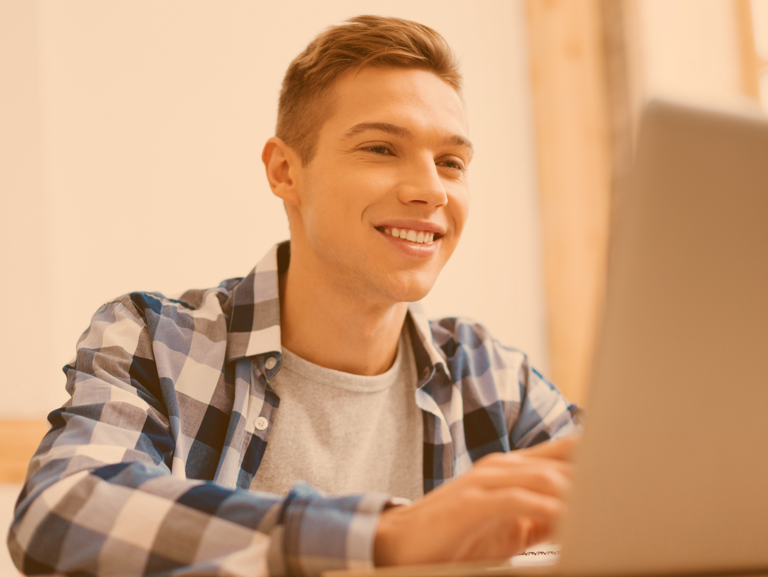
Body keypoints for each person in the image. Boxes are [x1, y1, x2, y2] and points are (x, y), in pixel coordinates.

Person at [8, 15, 581, 577]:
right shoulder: (156, 341)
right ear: (285, 171)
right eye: (381, 149)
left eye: (451, 162)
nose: (431, 189)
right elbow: (63, 511)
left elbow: (639, 503)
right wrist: (384, 537)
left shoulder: (494, 379)